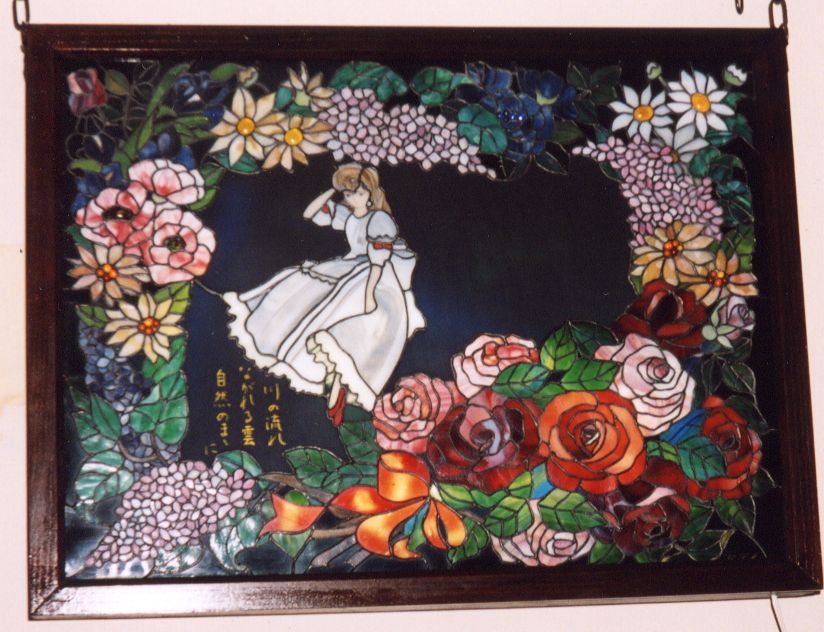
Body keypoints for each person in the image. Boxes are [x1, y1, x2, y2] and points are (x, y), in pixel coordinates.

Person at [223, 163, 426, 424]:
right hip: (351, 267)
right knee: (304, 296)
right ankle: (328, 386)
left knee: (347, 328)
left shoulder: (379, 220)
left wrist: (369, 294)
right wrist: (332, 188)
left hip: (374, 276)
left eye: (359, 192)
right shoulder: (349, 215)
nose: (354, 198)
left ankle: (339, 393)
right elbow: (310, 213)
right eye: (349, 193)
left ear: (370, 193)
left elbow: (378, 262)